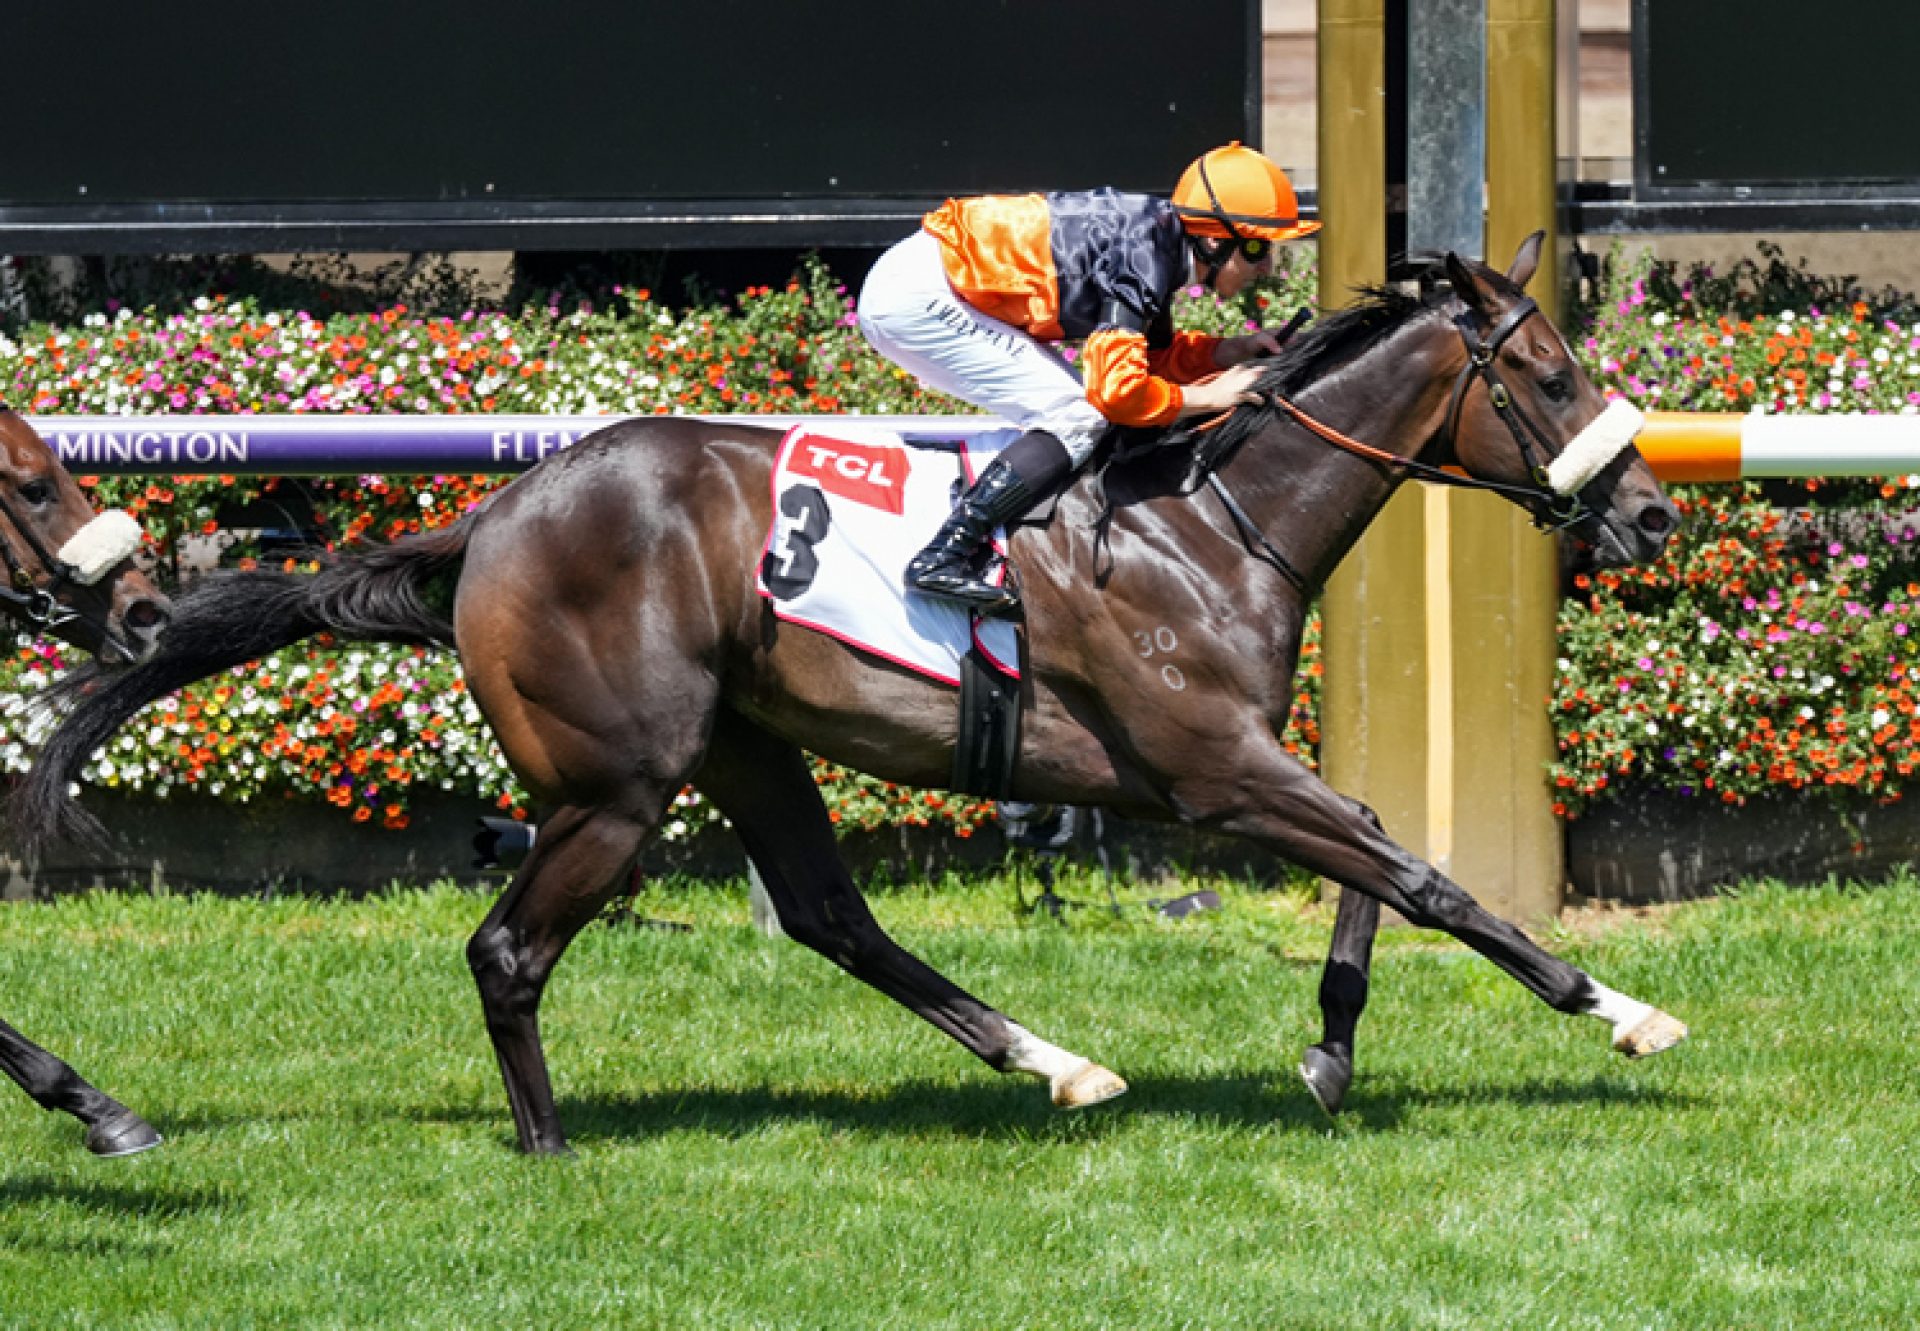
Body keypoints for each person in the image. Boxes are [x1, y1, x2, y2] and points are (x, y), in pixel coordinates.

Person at [856, 142, 1319, 616]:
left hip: (927, 282)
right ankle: (945, 555)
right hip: (917, 298)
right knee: (1078, 414)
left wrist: (1226, 351)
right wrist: (1208, 397)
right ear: (1215, 241)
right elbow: (1117, 394)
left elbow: (1151, 362)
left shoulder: (1159, 242)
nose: (1267, 266)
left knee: (1081, 411)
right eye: (1258, 248)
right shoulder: (1146, 254)